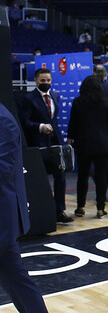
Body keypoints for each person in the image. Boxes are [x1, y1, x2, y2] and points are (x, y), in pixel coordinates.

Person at [0, 102, 60, 313]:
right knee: (14, 276)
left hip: (2, 214)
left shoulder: (3, 120)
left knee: (14, 275)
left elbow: (2, 170)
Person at [18, 68, 73, 224]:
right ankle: (42, 211)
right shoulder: (28, 99)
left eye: (48, 81)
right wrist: (40, 126)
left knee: (60, 176)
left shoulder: (55, 96)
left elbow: (53, 120)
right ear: (36, 81)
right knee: (41, 178)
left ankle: (59, 211)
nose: (46, 83)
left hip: (55, 143)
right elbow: (25, 122)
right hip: (37, 143)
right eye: (43, 81)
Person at [66, 76, 108, 218]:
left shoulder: (77, 102)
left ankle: (80, 207)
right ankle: (100, 208)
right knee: (101, 177)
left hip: (83, 144)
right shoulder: (105, 102)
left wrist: (69, 141)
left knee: (82, 176)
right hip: (104, 144)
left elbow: (72, 125)